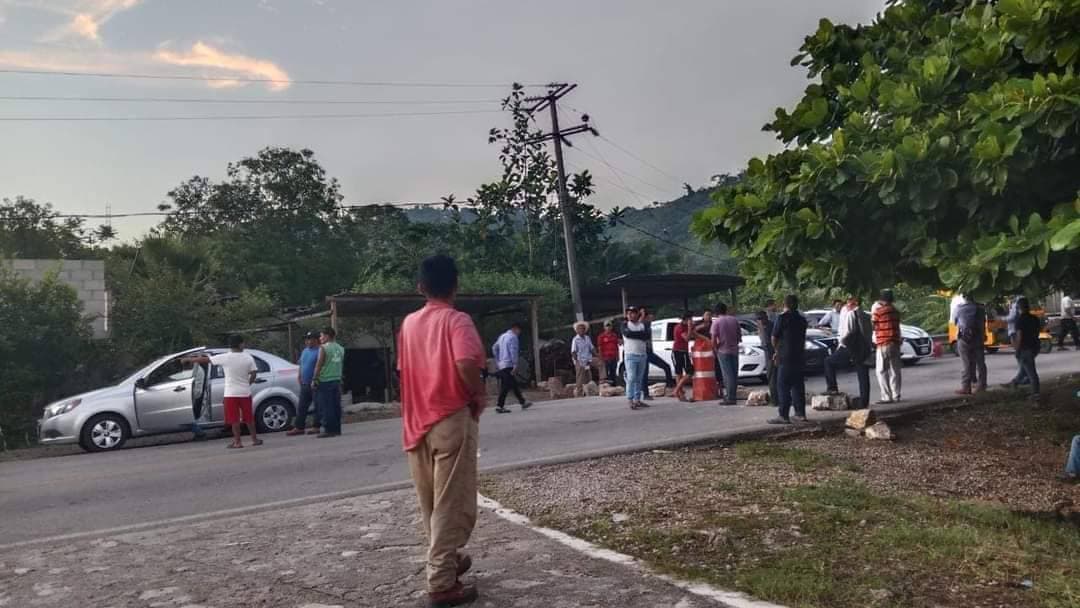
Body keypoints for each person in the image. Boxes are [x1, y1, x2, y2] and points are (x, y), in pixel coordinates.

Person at [397, 254, 486, 606]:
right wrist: (478, 393)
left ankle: (446, 560)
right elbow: (465, 363)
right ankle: (441, 582)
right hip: (449, 416)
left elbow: (404, 370)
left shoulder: (408, 324)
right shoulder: (457, 320)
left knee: (430, 501)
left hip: (415, 422)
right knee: (452, 500)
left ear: (421, 287)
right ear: (456, 286)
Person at [183, 335, 261, 449]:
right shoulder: (248, 358)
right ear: (240, 344)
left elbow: (205, 360)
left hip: (230, 394)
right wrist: (248, 383)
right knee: (249, 418)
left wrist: (189, 359)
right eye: (243, 343)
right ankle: (255, 439)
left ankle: (238, 442)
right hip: (245, 392)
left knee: (234, 420)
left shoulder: (225, 357)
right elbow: (254, 373)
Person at [824, 296, 873, 408]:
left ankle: (832, 388)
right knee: (863, 374)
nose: (846, 304)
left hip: (851, 347)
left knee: (828, 362)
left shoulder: (852, 314)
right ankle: (864, 402)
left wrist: (843, 343)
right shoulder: (866, 315)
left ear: (855, 302)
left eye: (849, 301)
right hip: (864, 347)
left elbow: (850, 332)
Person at [768, 295, 808, 425]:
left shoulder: (782, 318)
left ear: (785, 304)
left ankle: (783, 415)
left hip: (785, 356)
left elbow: (774, 337)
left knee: (783, 385)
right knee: (798, 385)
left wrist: (777, 351)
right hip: (799, 355)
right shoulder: (802, 320)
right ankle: (800, 414)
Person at [312, 327, 345, 438]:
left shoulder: (323, 348)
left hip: (325, 380)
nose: (320, 338)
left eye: (321, 336)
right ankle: (337, 429)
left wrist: (314, 379)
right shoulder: (341, 348)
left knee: (326, 406)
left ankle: (328, 429)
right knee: (336, 406)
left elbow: (319, 364)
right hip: (336, 379)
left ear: (327, 336)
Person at [287, 331, 323, 435]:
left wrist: (316, 379)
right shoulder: (305, 351)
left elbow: (320, 366)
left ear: (316, 340)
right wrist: (299, 374)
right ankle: (299, 427)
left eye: (309, 339)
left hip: (315, 382)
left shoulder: (320, 351)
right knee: (302, 406)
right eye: (306, 339)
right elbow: (301, 364)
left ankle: (316, 426)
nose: (307, 341)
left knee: (318, 405)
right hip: (304, 383)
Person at [492, 323, 532, 414]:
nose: (519, 333)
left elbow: (494, 348)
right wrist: (515, 364)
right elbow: (513, 351)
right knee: (505, 386)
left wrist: (498, 360)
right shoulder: (513, 337)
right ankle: (500, 405)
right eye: (519, 331)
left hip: (502, 364)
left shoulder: (502, 336)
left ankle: (523, 402)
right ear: (516, 329)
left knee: (513, 384)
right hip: (509, 364)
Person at [952, 294, 987, 395]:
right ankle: (982, 385)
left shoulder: (959, 308)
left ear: (964, 297)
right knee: (980, 363)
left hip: (964, 338)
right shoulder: (980, 309)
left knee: (966, 363)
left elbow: (955, 322)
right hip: (978, 338)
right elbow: (983, 323)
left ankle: (966, 387)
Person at [872, 289, 903, 404]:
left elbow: (874, 326)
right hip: (895, 343)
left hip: (883, 343)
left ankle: (886, 396)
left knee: (881, 370)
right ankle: (896, 395)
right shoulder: (895, 311)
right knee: (895, 370)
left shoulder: (878, 311)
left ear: (881, 300)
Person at [639, 307, 673, 400]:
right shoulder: (642, 324)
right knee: (644, 373)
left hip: (650, 351)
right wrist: (642, 315)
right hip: (644, 352)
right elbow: (638, 324)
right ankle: (645, 394)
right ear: (647, 316)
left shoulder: (649, 325)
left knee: (666, 367)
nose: (653, 317)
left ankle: (669, 387)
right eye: (651, 315)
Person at [710, 302, 741, 405]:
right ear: (725, 310)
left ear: (716, 312)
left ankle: (730, 397)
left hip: (723, 351)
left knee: (727, 375)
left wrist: (715, 349)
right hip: (734, 350)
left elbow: (713, 339)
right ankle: (733, 395)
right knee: (734, 374)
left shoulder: (716, 322)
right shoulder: (734, 320)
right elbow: (739, 337)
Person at [621, 306, 650, 410]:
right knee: (631, 377)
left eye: (633, 313)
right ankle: (630, 399)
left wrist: (637, 335)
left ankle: (637, 399)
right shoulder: (624, 324)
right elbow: (628, 334)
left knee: (639, 378)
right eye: (628, 313)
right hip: (630, 355)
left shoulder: (642, 325)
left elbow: (647, 335)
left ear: (637, 314)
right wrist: (640, 335)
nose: (630, 315)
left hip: (642, 354)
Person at [1014, 297, 1042, 401]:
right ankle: (1014, 383)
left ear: (1019, 307)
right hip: (1034, 347)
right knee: (1025, 368)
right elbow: (1038, 332)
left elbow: (1019, 337)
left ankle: (1036, 394)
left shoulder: (1020, 320)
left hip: (1025, 348)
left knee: (1031, 371)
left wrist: (1017, 349)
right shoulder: (1034, 318)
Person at [755, 310, 778, 408]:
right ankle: (776, 399)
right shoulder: (766, 326)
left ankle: (775, 400)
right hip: (770, 352)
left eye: (760, 319)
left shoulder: (768, 327)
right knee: (773, 377)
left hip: (771, 353)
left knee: (772, 376)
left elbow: (768, 342)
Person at [672, 312, 694, 402]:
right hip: (678, 352)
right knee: (687, 372)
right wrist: (689, 327)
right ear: (687, 320)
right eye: (690, 319)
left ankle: (679, 392)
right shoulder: (679, 327)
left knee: (680, 373)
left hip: (683, 351)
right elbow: (687, 338)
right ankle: (677, 391)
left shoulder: (685, 327)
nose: (691, 321)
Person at [570, 322, 596, 397]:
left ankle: (590, 390)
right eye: (580, 328)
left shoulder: (587, 338)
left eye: (583, 328)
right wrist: (577, 361)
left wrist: (596, 354)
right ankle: (579, 392)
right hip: (580, 360)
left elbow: (592, 348)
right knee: (580, 377)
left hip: (588, 359)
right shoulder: (575, 339)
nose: (581, 330)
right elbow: (573, 351)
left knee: (588, 375)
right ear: (577, 330)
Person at [597, 321, 621, 386]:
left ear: (611, 327)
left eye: (609, 326)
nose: (608, 327)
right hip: (605, 357)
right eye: (607, 326)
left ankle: (614, 385)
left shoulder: (614, 335)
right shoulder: (601, 336)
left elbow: (616, 346)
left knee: (613, 371)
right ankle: (607, 386)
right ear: (604, 327)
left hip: (613, 356)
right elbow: (599, 348)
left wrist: (618, 355)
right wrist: (601, 357)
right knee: (606, 373)